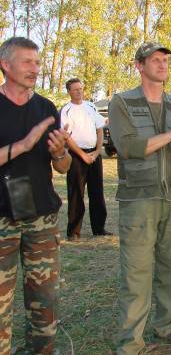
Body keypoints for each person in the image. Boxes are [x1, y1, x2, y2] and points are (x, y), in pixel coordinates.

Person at [109, 42, 171, 355]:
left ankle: (166, 327)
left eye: (165, 60)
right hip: (140, 198)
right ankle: (130, 344)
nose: (162, 65)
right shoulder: (122, 102)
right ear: (139, 65)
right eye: (155, 60)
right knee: (136, 273)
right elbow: (129, 147)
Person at [0, 37, 71, 355]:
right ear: (6, 65)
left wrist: (60, 154)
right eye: (27, 62)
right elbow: (26, 146)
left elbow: (63, 167)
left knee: (44, 301)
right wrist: (23, 146)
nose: (35, 68)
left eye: (38, 62)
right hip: (2, 218)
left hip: (41, 218)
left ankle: (41, 353)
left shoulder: (45, 108)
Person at [60, 78, 111, 241]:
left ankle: (99, 228)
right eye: (75, 89)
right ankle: (74, 232)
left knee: (97, 192)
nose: (79, 91)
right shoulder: (66, 110)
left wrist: (97, 152)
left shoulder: (90, 106)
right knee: (76, 194)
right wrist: (82, 155)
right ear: (69, 92)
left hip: (94, 155)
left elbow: (99, 129)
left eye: (81, 88)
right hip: (76, 156)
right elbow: (66, 137)